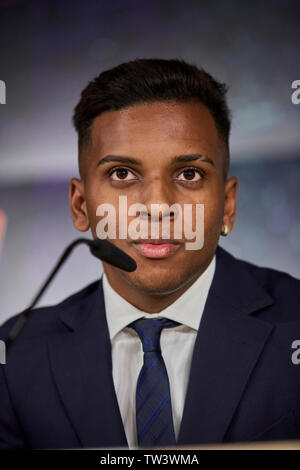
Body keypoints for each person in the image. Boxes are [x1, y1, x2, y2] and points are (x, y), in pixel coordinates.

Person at [0, 58, 299, 450]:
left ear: (227, 205)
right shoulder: (16, 356)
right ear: (80, 205)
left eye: (189, 174)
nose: (157, 206)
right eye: (122, 174)